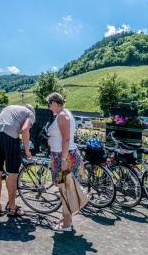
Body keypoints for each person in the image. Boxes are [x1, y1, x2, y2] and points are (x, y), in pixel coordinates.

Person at [46, 92, 85, 231]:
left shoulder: (62, 115)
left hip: (64, 157)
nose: (49, 108)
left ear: (55, 103)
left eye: (50, 104)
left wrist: (63, 159)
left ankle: (67, 224)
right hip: (63, 156)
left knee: (65, 189)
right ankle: (67, 219)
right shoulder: (65, 113)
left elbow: (66, 139)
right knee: (66, 188)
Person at [0, 104, 35, 217]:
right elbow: (24, 129)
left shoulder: (11, 108)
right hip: (9, 136)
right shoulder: (30, 114)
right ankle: (12, 208)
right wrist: (27, 151)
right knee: (12, 174)